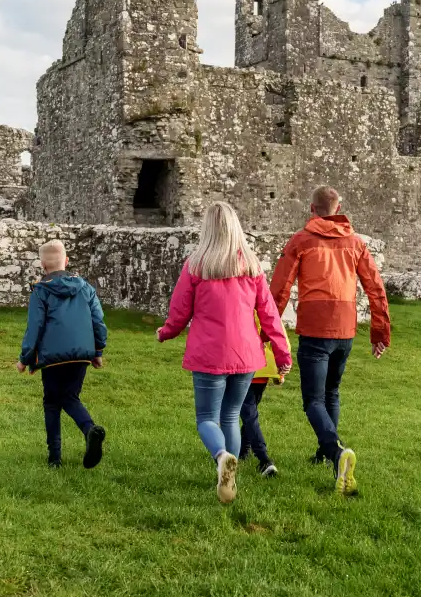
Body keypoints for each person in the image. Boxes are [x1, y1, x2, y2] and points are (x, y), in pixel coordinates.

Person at [158, 202, 291, 504]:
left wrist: (166, 333)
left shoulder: (197, 265)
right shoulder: (252, 265)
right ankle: (230, 473)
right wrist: (283, 356)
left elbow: (179, 312)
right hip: (246, 354)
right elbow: (269, 315)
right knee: (231, 414)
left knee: (206, 417)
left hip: (209, 353)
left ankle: (221, 457)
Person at [270, 186, 390, 496]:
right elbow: (375, 287)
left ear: (312, 208)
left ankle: (336, 452)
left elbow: (281, 288)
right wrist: (379, 331)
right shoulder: (354, 242)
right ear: (339, 208)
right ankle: (325, 453)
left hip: (315, 329)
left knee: (313, 400)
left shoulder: (302, 240)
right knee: (332, 392)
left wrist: (266, 330)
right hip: (345, 330)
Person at [17, 240, 107, 470]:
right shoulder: (86, 288)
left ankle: (58, 455)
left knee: (52, 402)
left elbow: (34, 326)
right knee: (70, 396)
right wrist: (97, 351)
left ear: (42, 265)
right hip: (81, 355)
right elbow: (98, 321)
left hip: (53, 356)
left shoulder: (41, 291)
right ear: (67, 261)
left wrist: (25, 358)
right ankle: (89, 433)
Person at [238, 314, 287, 478]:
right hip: (264, 367)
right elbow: (278, 333)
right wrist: (281, 366)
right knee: (249, 413)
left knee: (249, 413)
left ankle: (264, 458)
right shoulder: (264, 304)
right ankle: (242, 451)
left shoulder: (240, 303)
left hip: (244, 365)